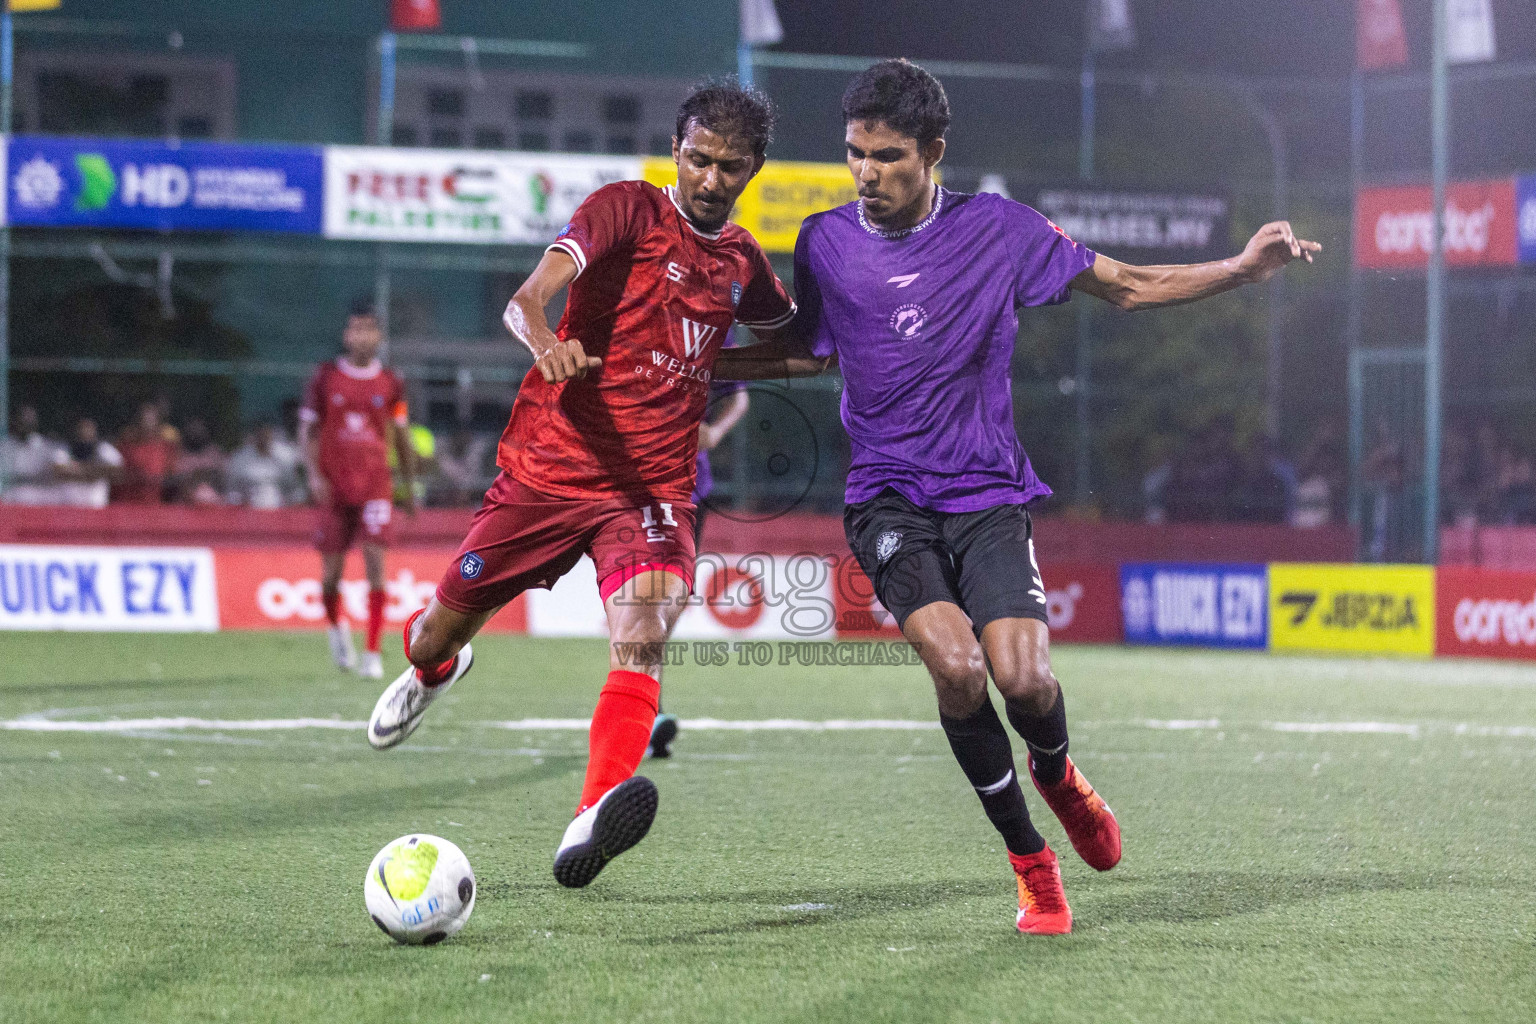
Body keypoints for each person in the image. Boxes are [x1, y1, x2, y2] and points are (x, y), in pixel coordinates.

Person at [717, 59, 1320, 935]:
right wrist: (691, 363)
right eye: (854, 154)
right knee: (959, 670)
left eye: (886, 156)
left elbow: (1128, 288)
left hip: (988, 493)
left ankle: (1058, 770)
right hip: (887, 499)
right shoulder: (823, 242)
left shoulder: (1000, 230)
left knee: (1026, 680)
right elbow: (808, 353)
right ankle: (1033, 866)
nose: (865, 174)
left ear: (932, 153)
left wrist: (1241, 268)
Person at [364, 79, 796, 889]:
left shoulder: (743, 264)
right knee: (433, 634)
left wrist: (723, 363)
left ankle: (591, 816)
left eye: (729, 168)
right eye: (698, 160)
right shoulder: (624, 210)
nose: (709, 179)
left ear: (753, 170)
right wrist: (543, 344)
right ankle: (434, 672)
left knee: (646, 631)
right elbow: (526, 300)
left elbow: (799, 347)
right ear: (676, 151)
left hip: (653, 489)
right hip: (551, 470)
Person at [299, 302, 417, 680]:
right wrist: (314, 475)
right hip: (335, 488)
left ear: (378, 336)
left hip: (376, 486)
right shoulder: (326, 377)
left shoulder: (391, 381)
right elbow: (309, 431)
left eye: (368, 329)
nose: (361, 336)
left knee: (376, 571)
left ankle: (371, 653)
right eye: (355, 329)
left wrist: (409, 486)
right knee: (330, 577)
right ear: (346, 335)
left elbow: (400, 435)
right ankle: (337, 631)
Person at [647, 377, 750, 759]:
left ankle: (643, 706)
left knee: (666, 601)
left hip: (690, 488)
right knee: (643, 602)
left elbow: (739, 397)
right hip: (635, 484)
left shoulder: (713, 326)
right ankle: (641, 708)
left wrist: (717, 432)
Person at [114, 400, 181, 503]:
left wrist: (158, 479)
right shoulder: (126, 446)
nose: (147, 423)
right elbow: (117, 473)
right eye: (144, 419)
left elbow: (172, 475)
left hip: (154, 503)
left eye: (151, 419)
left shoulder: (165, 448)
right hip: (127, 502)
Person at [1, 405, 69, 506]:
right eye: (21, 419)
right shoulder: (5, 446)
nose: (24, 422)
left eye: (28, 419)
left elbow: (63, 470)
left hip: (42, 495)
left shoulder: (49, 446)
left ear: (35, 422)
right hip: (13, 495)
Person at [226, 421, 302, 510]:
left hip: (280, 512)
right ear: (254, 436)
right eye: (260, 435)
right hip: (250, 512)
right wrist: (241, 502)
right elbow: (232, 492)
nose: (263, 438)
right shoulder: (240, 459)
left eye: (266, 434)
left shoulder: (285, 456)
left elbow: (294, 490)